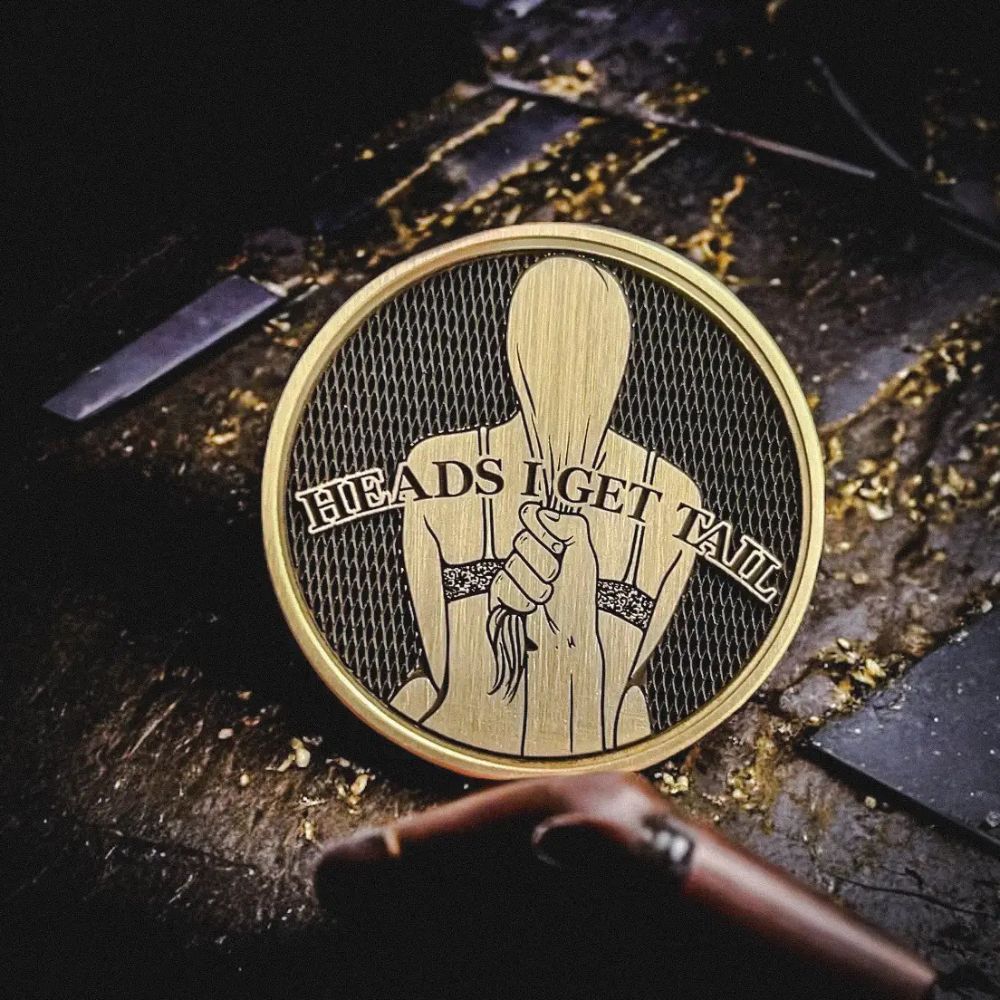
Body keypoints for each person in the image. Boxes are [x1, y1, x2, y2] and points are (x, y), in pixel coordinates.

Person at [391, 256, 699, 756]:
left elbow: (441, 660)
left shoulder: (675, 496)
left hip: (541, 743)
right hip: (559, 743)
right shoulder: (671, 495)